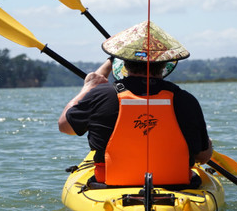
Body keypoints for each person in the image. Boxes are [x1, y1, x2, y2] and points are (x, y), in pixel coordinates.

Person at [58, 21, 212, 188]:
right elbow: (202, 157)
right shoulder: (185, 99)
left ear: (124, 63)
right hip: (176, 185)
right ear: (165, 63)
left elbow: (65, 127)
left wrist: (88, 87)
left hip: (110, 185)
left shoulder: (101, 95)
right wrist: (208, 142)